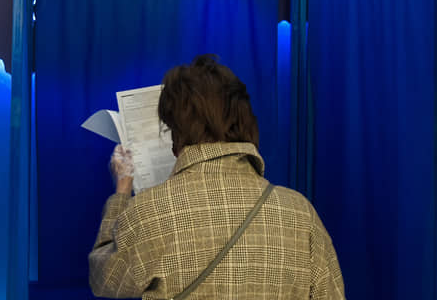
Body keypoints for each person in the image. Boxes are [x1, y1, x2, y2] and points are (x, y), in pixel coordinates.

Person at [88, 54, 345, 299]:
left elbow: (104, 278)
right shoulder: (300, 213)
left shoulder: (149, 210)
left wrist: (122, 192)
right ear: (246, 123)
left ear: (176, 134)